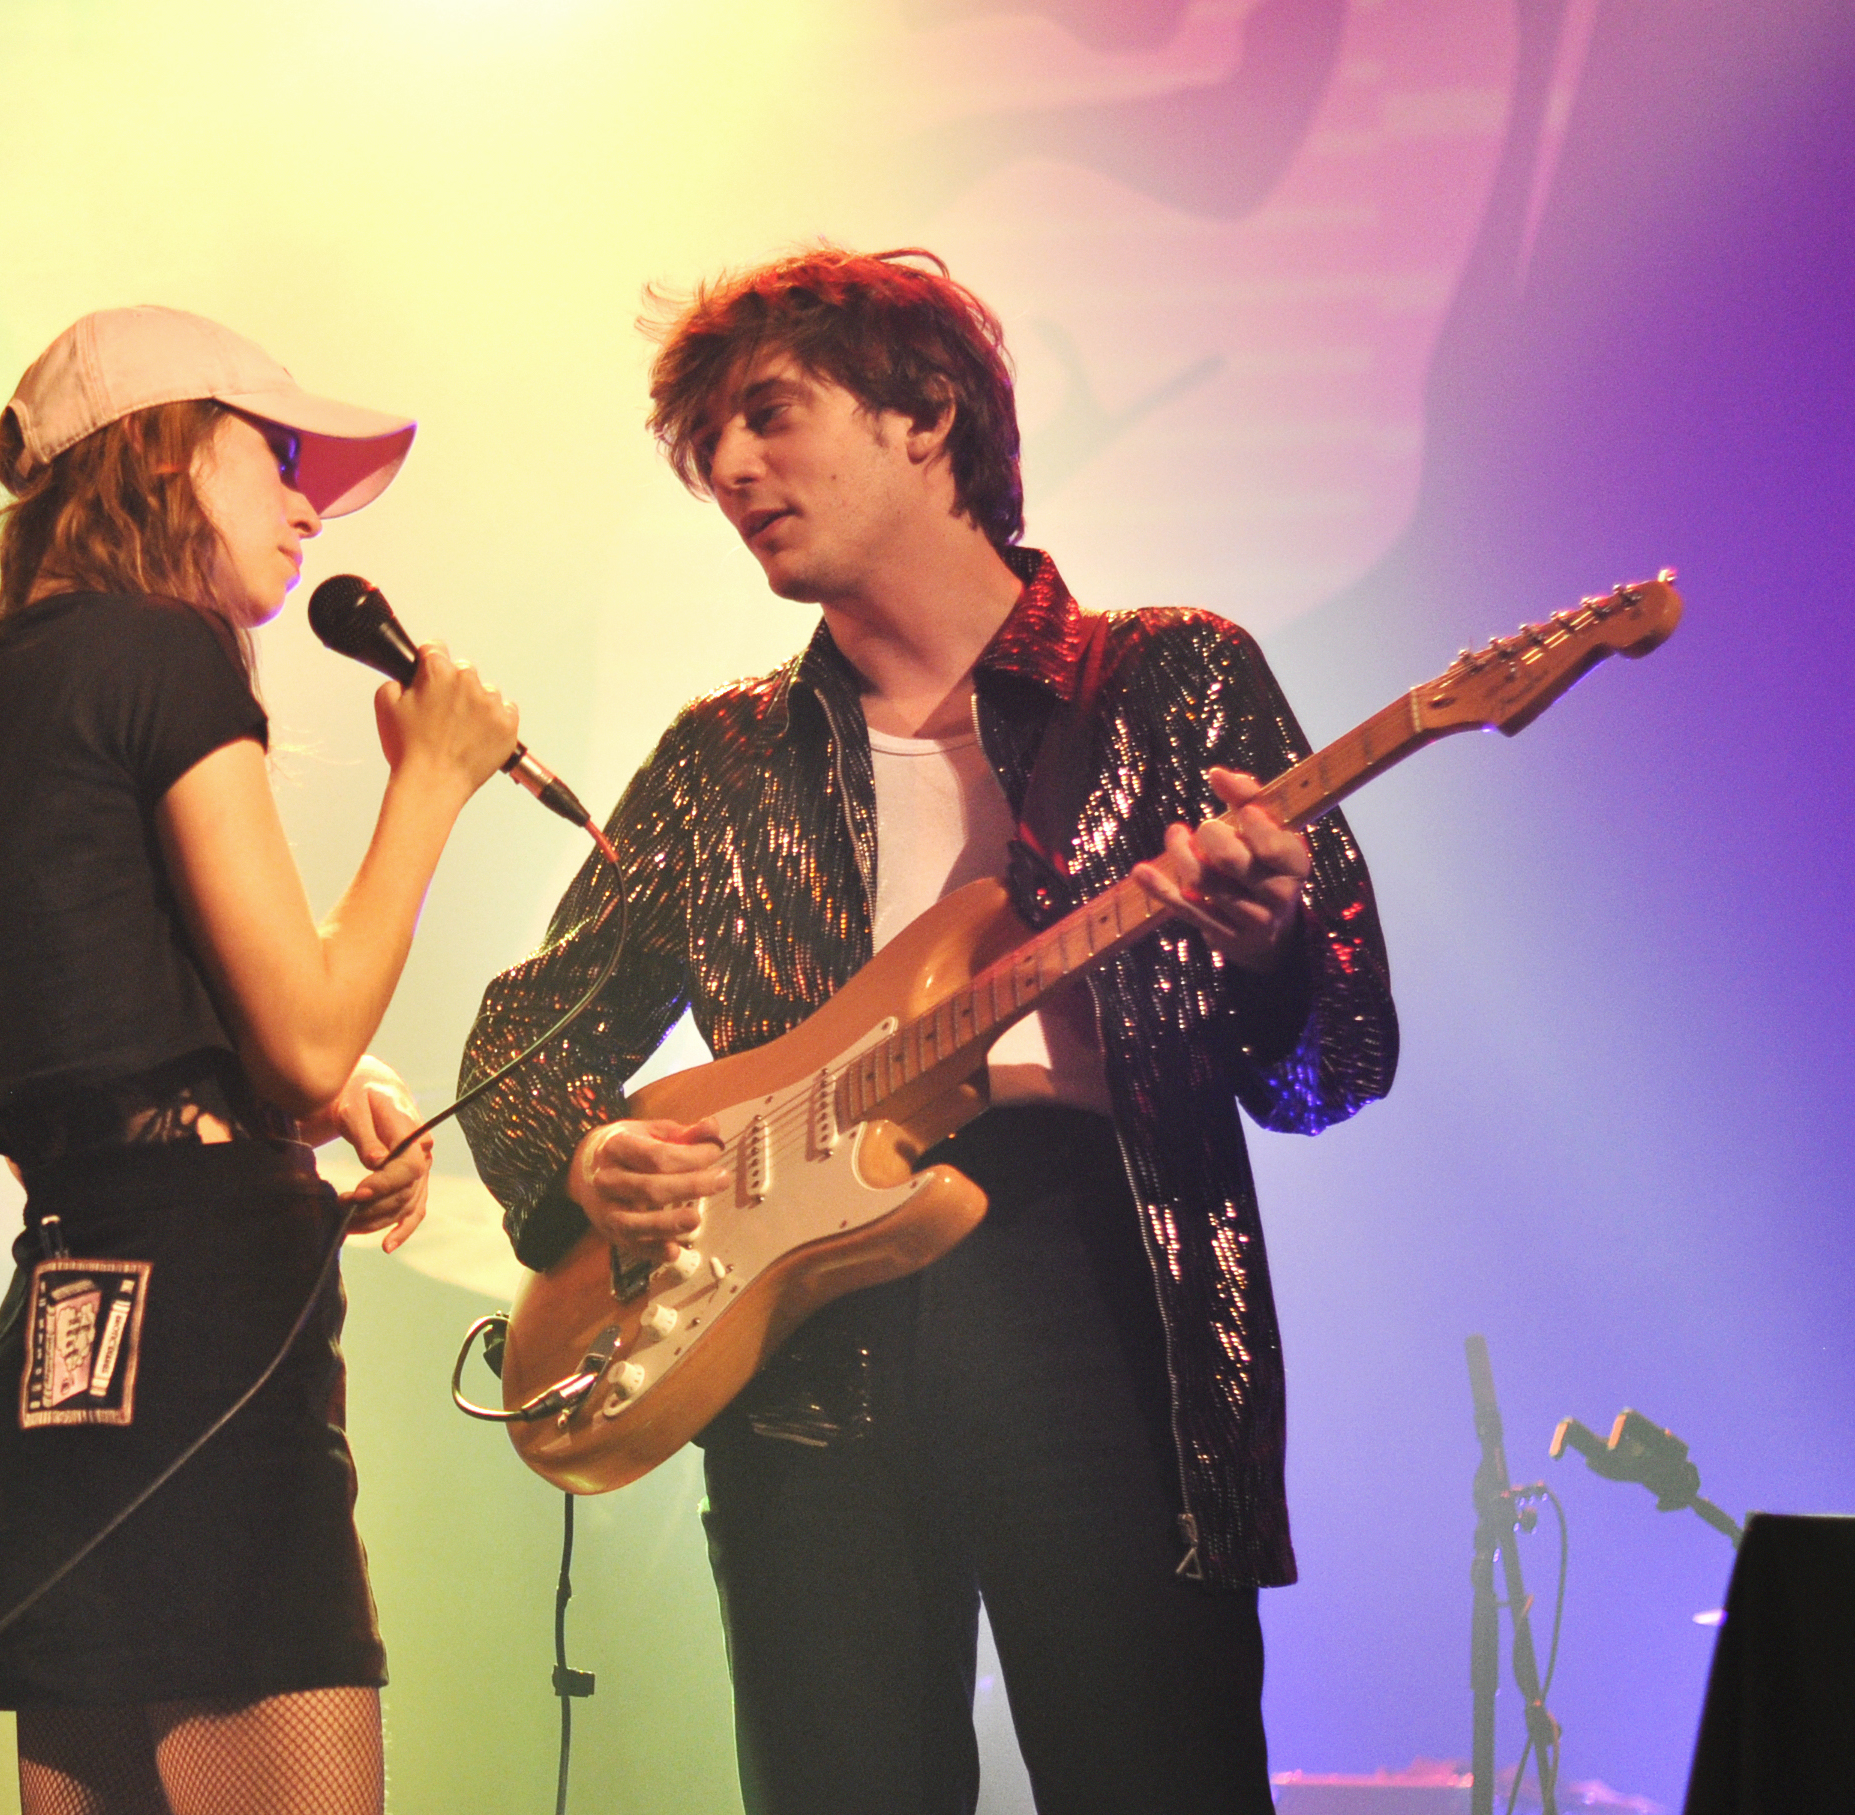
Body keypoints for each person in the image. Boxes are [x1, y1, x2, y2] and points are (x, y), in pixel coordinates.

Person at [459, 248, 1398, 1814]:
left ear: (923, 415)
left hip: (1095, 1294)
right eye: (705, 445)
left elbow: (1336, 1065)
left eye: (768, 416)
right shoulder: (720, 756)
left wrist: (1272, 945)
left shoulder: (1166, 679)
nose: (729, 470)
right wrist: (586, 1157)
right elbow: (521, 1040)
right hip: (790, 1340)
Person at [0, 305, 519, 1815]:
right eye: (277, 454)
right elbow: (305, 1035)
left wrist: (324, 1092)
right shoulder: (163, 651)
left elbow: (99, 998)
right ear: (167, 451)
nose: (309, 504)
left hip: (68, 1322)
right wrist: (432, 782)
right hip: (203, 1327)